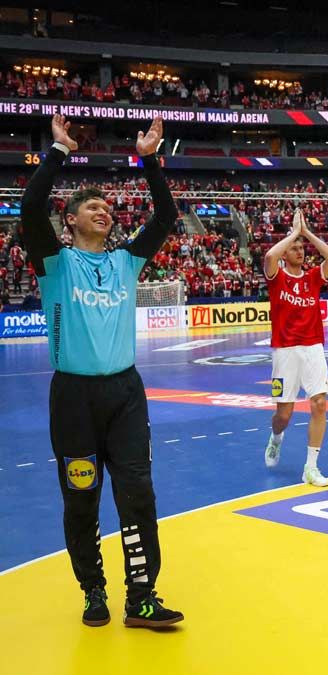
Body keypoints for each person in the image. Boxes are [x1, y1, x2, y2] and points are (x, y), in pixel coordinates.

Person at [22, 114, 183, 627]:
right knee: (81, 498)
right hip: (73, 398)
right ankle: (94, 591)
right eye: (92, 207)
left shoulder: (126, 261)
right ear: (69, 219)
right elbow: (29, 210)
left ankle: (142, 597)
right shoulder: (54, 262)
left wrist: (151, 160)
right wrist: (58, 151)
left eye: (108, 207)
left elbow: (164, 217)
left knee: (138, 493)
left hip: (126, 393)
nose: (104, 212)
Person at [262, 208, 328, 487]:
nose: (299, 251)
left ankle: (311, 467)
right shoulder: (277, 277)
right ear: (285, 252)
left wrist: (306, 233)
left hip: (312, 347)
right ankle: (276, 437)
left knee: (319, 403)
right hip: (285, 350)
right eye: (294, 248)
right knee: (284, 414)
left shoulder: (313, 279)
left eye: (301, 248)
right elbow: (270, 256)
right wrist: (293, 233)